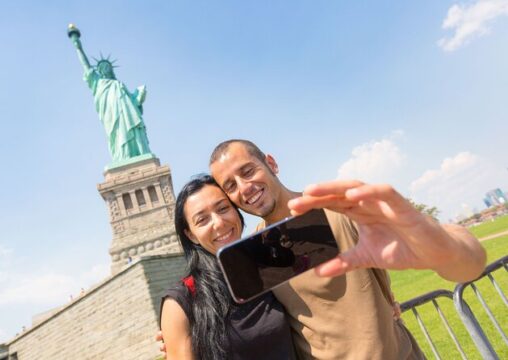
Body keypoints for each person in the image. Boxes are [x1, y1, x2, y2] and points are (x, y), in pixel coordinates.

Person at [206, 139, 486, 359]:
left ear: (271, 163)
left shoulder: (338, 208)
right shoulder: (256, 251)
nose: (244, 187)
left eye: (248, 171)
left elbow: (471, 264)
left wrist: (442, 248)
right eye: (230, 185)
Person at [159, 175, 296, 360]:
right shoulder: (181, 302)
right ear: (191, 235)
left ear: (237, 211)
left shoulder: (272, 262)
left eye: (223, 208)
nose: (219, 222)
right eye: (202, 220)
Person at [67, 24, 153, 163]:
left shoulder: (119, 85)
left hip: (129, 117)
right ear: (99, 71)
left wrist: (139, 97)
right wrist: (78, 46)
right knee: (119, 137)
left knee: (135, 129)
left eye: (108, 67)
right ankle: (123, 159)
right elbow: (86, 65)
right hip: (113, 119)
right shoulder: (97, 83)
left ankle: (140, 153)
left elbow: (134, 103)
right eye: (102, 68)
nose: (106, 69)